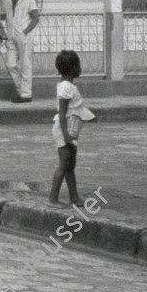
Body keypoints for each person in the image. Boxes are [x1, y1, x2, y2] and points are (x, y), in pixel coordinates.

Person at [49, 49, 96, 206]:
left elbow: (75, 109)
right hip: (66, 130)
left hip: (71, 130)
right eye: (78, 65)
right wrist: (66, 136)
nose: (80, 68)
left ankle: (74, 197)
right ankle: (53, 198)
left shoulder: (68, 86)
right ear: (73, 67)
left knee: (70, 165)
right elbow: (63, 114)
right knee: (64, 164)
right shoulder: (66, 87)